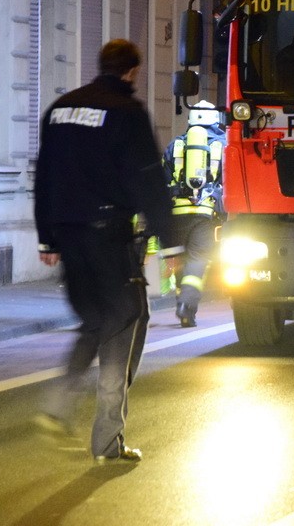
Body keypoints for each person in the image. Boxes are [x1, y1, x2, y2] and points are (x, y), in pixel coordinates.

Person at [33, 39, 182, 463]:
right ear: (132, 72)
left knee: (95, 320)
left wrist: (47, 237)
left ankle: (58, 404)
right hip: (109, 235)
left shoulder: (59, 110)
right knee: (129, 317)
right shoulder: (126, 113)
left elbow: (43, 175)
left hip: (68, 234)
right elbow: (148, 182)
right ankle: (107, 439)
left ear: (101, 65)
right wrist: (170, 241)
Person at [163, 100, 225, 327]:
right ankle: (186, 306)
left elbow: (164, 179)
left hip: (177, 214)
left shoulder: (176, 145)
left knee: (181, 259)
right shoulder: (222, 144)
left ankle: (185, 307)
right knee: (198, 260)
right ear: (215, 120)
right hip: (205, 214)